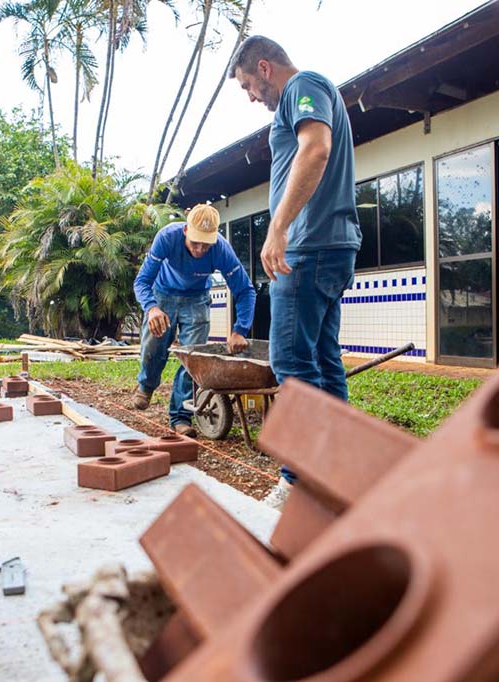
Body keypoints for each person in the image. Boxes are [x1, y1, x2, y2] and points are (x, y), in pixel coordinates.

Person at [229, 36, 362, 505]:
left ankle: (298, 483)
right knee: (322, 361)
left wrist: (279, 226)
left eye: (248, 85)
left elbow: (316, 148)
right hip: (327, 247)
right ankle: (337, 475)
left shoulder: (303, 87)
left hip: (309, 248)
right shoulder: (307, 93)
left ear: (264, 68)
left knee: (290, 362)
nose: (251, 97)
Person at [132, 203, 256, 437]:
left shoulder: (221, 249)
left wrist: (240, 329)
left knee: (193, 359)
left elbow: (245, 290)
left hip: (197, 298)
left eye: (206, 244)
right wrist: (151, 308)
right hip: (162, 294)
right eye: (195, 242)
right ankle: (146, 386)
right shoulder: (167, 238)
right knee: (153, 347)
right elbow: (142, 281)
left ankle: (180, 416)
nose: (200, 249)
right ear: (186, 230)